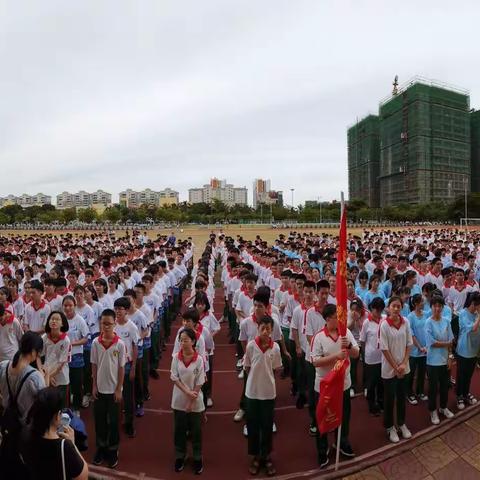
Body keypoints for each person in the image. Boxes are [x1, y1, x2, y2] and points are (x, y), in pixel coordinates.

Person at [311, 303, 359, 468]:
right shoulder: (319, 337)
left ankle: (341, 442)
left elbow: (356, 353)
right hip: (325, 387)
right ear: (327, 319)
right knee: (323, 419)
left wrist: (349, 345)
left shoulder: (346, 334)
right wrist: (336, 356)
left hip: (343, 385)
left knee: (343, 417)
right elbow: (315, 361)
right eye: (336, 318)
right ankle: (322, 450)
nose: (339, 321)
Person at [0, 331, 46, 478]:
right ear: (33, 352)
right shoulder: (35, 376)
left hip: (8, 423)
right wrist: (47, 377)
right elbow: (44, 402)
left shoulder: (3, 366)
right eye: (38, 353)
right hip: (26, 429)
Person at [20, 386, 88, 480]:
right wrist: (73, 444)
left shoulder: (25, 434)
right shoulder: (64, 447)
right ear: (57, 416)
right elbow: (83, 476)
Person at [243, 315, 282, 476]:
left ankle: (266, 456)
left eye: (268, 328)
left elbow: (276, 368)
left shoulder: (276, 348)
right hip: (252, 392)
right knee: (253, 425)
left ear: (272, 330)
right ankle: (256, 457)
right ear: (257, 329)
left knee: (267, 426)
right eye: (262, 328)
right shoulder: (251, 346)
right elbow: (247, 366)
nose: (265, 332)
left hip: (268, 393)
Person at [91, 309, 127, 469]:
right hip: (99, 389)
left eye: (109, 324)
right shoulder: (95, 343)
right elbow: (94, 364)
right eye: (103, 323)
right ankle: (101, 447)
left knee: (113, 422)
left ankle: (113, 449)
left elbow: (121, 368)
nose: (106, 327)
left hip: (113, 390)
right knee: (99, 421)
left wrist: (119, 388)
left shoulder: (120, 344)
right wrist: (94, 385)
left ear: (115, 324)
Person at [170, 328, 205, 475]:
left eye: (186, 340)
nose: (183, 342)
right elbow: (174, 377)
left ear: (193, 341)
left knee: (196, 431)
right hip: (178, 400)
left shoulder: (199, 359)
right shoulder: (176, 358)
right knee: (179, 430)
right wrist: (186, 392)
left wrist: (191, 400)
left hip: (195, 401)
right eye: (181, 340)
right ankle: (180, 455)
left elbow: (200, 381)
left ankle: (197, 456)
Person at [380, 296, 413, 443]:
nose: (396, 309)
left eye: (398, 306)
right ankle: (389, 427)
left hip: (403, 367)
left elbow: (409, 344)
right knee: (389, 399)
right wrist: (396, 367)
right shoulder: (384, 325)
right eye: (393, 306)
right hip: (389, 369)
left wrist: (404, 364)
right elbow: (385, 349)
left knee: (401, 397)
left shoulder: (405, 322)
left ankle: (401, 423)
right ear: (388, 308)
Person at [425, 295, 455, 424]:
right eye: (434, 306)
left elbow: (451, 340)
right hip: (432, 361)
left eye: (439, 306)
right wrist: (446, 343)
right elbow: (432, 343)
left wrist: (450, 357)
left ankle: (443, 407)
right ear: (431, 307)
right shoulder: (428, 322)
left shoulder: (446, 321)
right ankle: (433, 411)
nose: (437, 308)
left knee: (444, 386)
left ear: (443, 307)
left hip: (445, 360)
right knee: (433, 388)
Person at [63, 295, 89, 416]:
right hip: (63, 357)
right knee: (65, 383)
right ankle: (65, 407)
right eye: (65, 305)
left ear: (74, 306)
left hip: (76, 356)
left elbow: (85, 339)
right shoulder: (61, 319)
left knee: (77, 383)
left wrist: (72, 343)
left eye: (70, 305)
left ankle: (76, 408)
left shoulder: (79, 320)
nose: (68, 308)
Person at [359, 298, 384, 416]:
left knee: (381, 382)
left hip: (383, 358)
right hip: (371, 359)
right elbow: (362, 341)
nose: (378, 313)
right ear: (371, 309)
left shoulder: (384, 319)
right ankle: (371, 405)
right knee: (371, 383)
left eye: (380, 310)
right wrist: (366, 354)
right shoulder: (366, 322)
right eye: (376, 310)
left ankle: (380, 401)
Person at [42, 311, 71, 408]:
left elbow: (61, 364)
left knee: (61, 407)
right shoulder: (44, 337)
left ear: (62, 323)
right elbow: (38, 356)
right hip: (47, 375)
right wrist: (46, 375)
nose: (54, 321)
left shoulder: (66, 340)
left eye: (57, 319)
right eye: (52, 319)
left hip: (61, 378)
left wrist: (49, 376)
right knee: (48, 406)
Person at [456, 292, 480, 409]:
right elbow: (473, 329)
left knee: (469, 375)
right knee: (461, 374)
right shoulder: (462, 314)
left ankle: (466, 394)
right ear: (474, 304)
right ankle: (459, 396)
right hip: (464, 349)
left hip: (474, 350)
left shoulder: (477, 314)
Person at [407, 294, 428, 405]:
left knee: (421, 372)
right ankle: (409, 393)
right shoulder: (410, 317)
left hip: (425, 350)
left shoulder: (426, 314)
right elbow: (412, 335)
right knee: (411, 373)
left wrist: (426, 347)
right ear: (415, 303)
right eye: (421, 302)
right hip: (415, 351)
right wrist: (420, 347)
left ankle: (420, 391)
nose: (423, 303)